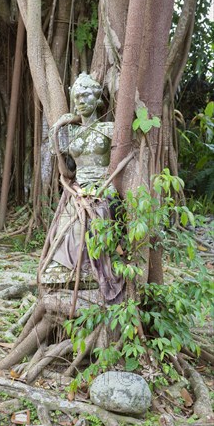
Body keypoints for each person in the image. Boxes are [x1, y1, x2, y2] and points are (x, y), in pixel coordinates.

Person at [39, 73, 123, 305]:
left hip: (103, 188)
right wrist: (58, 132)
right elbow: (67, 170)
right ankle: (63, 270)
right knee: (64, 225)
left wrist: (103, 187)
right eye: (76, 97)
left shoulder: (109, 128)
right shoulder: (73, 132)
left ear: (98, 100)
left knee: (90, 221)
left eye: (86, 95)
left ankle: (88, 271)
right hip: (77, 189)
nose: (80, 101)